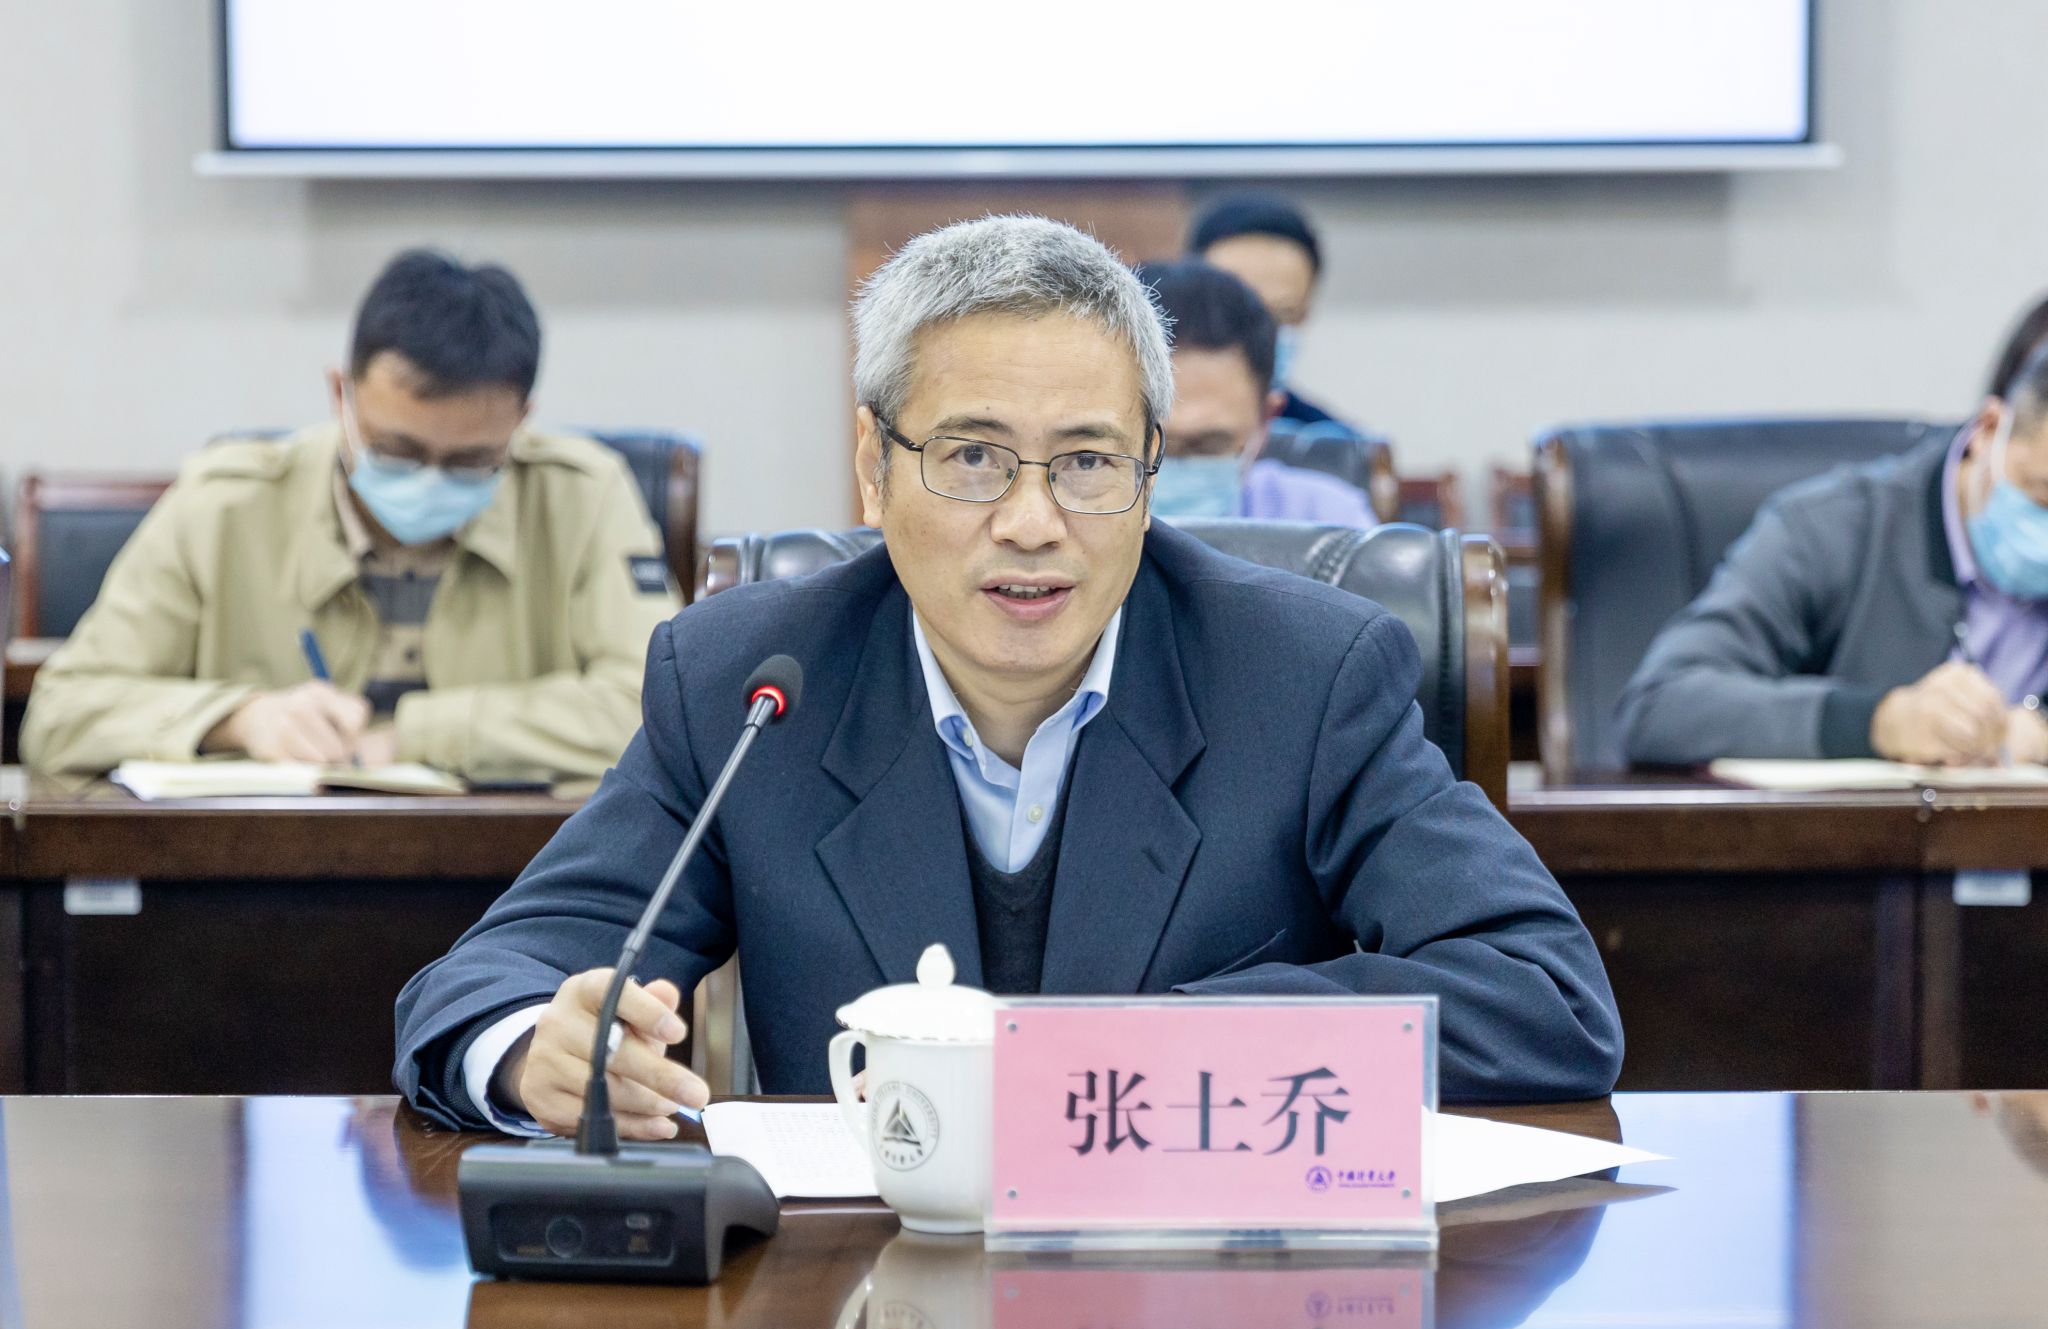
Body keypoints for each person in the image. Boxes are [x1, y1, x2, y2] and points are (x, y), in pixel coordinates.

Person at [394, 215, 1621, 1137]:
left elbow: (1542, 997)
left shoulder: (1301, 678)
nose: (1032, 523)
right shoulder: (749, 686)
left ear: (1148, 471)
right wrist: (533, 1052)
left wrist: (1147, 1053)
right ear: (873, 466)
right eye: (973, 457)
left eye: (1087, 462)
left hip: (1191, 1291)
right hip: (852, 1299)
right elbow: (486, 982)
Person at [21, 249, 680, 784]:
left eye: (470, 461)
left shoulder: (582, 496)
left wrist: (419, 734)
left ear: (520, 422)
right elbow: (61, 713)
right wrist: (238, 718)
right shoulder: (225, 503)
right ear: (341, 394)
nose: (429, 481)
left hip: (510, 874)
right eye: (398, 451)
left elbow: (660, 712)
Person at [1617, 336, 2048, 767]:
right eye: (2042, 496)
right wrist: (1881, 722)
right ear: (1989, 430)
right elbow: (1659, 706)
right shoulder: (1833, 528)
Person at [1138, 259, 1376, 526]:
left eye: (1208, 446)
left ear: (1267, 417)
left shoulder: (1328, 521)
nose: (1166, 469)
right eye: (1148, 445)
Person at [1188, 193, 1356, 431]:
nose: (1260, 332)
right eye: (1236, 311)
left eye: (1282, 314)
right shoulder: (1142, 429)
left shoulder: (1334, 444)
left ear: (1304, 313)